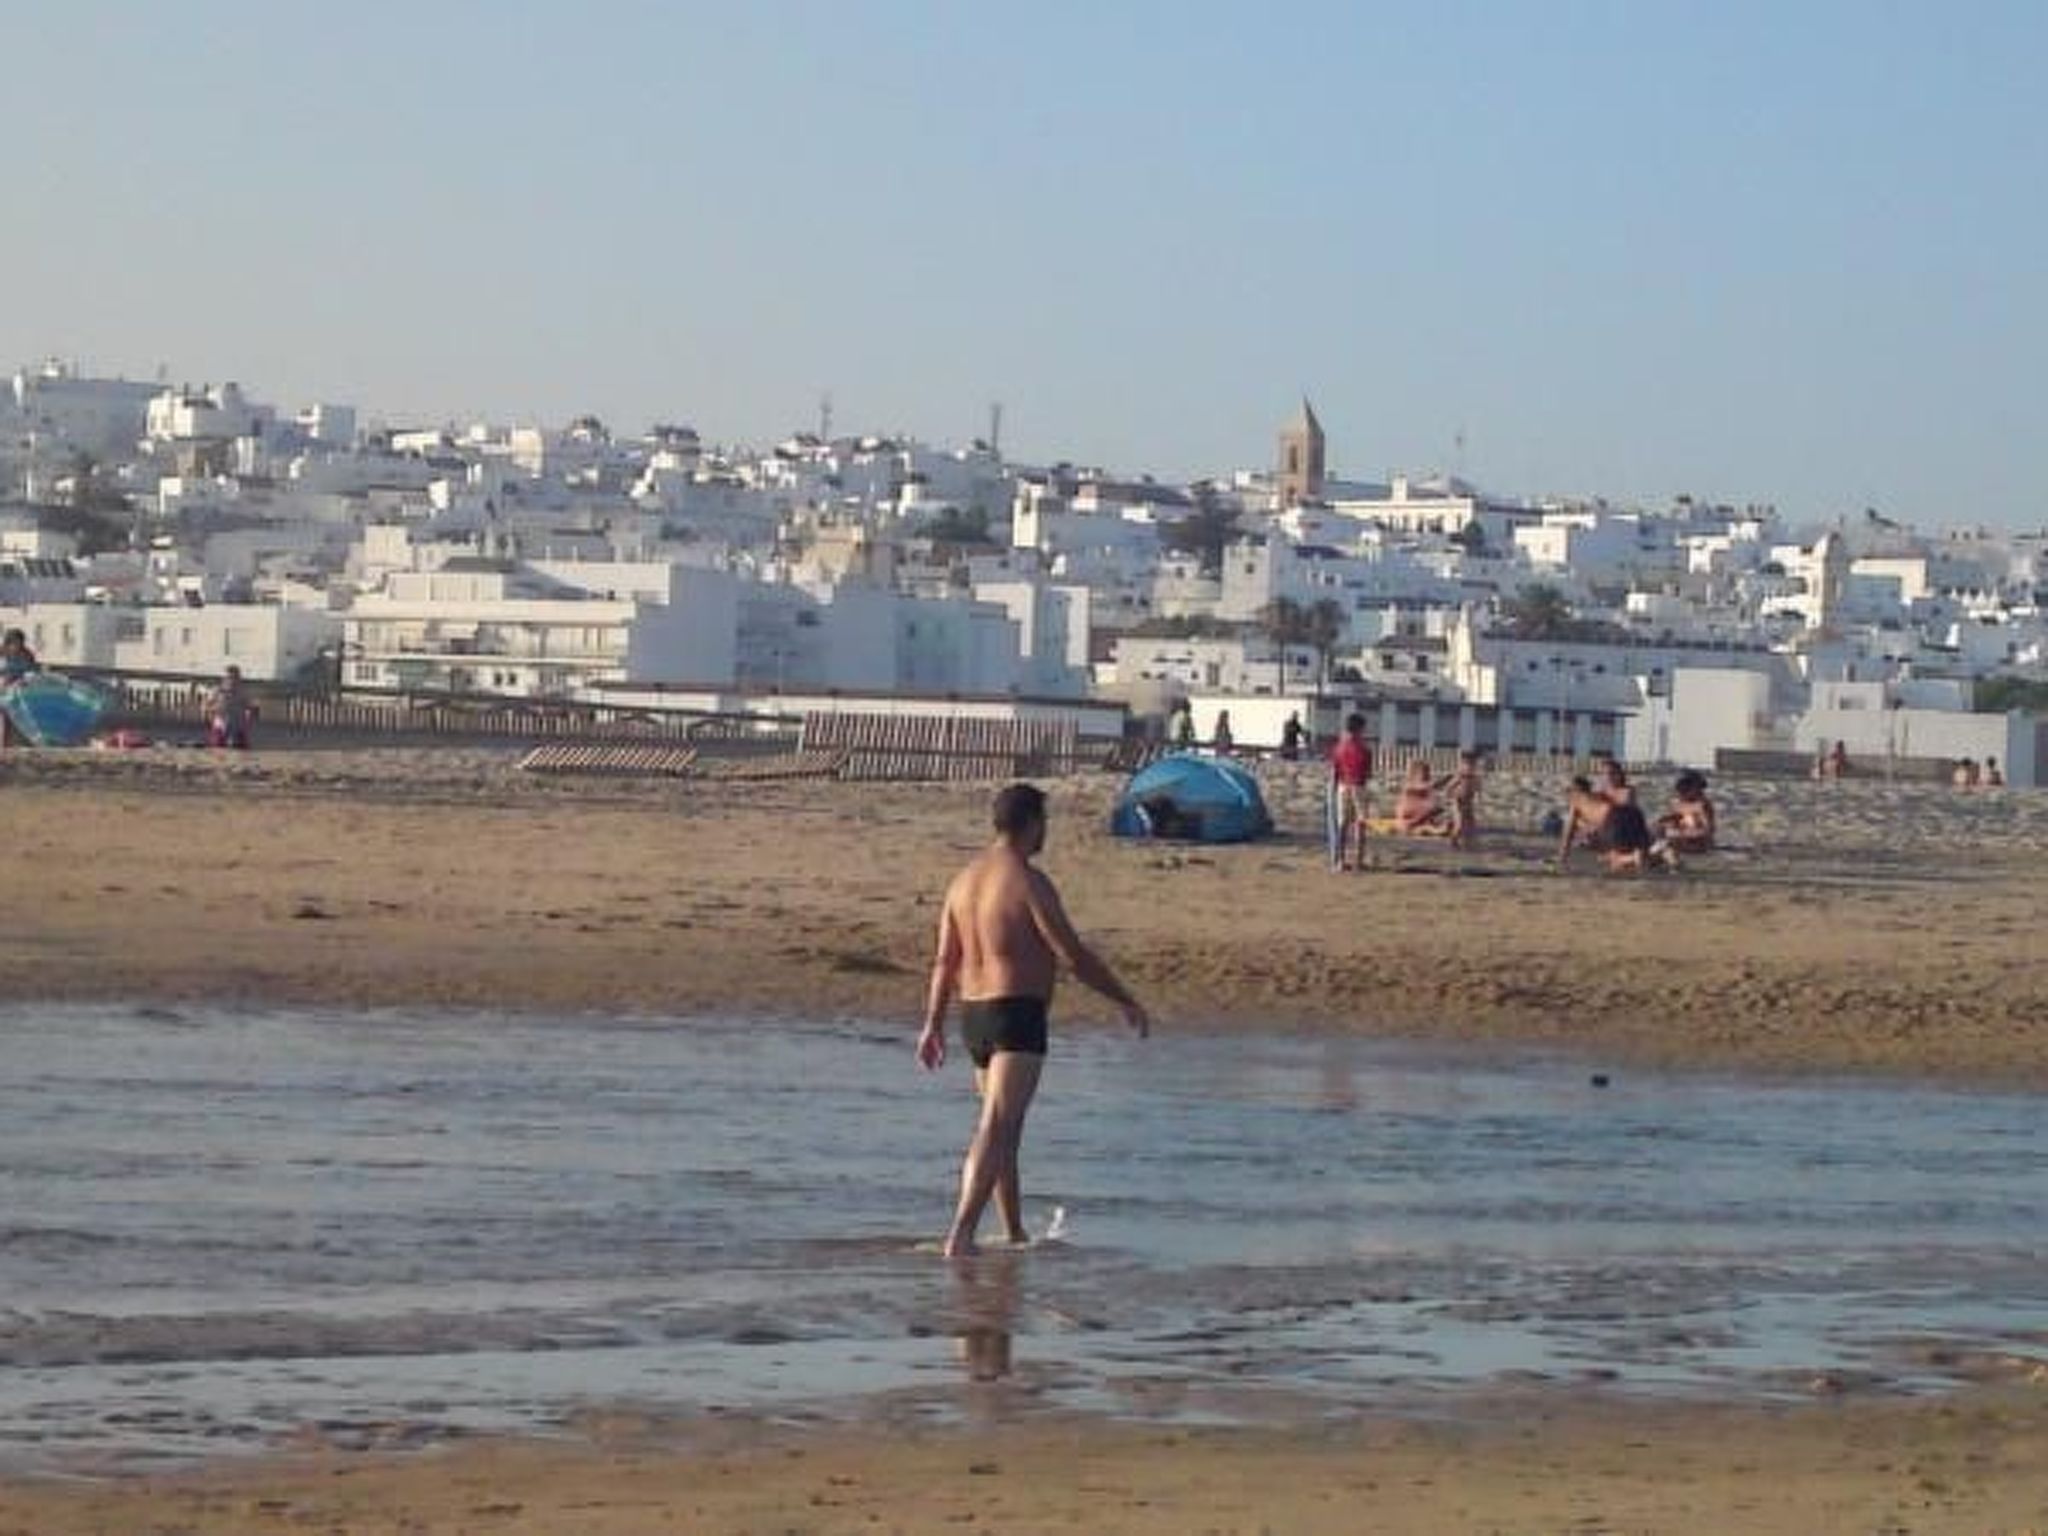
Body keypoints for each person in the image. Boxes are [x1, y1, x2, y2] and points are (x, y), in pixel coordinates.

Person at [918, 784, 1150, 1258]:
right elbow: (1072, 954)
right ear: (1031, 824)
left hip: (975, 1015)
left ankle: (1014, 1232)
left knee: (1006, 1128)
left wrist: (933, 1024)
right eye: (1044, 823)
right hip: (1016, 1013)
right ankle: (961, 1233)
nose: (1047, 832)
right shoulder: (1026, 882)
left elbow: (945, 961)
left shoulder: (963, 881)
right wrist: (1124, 998)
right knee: (998, 1123)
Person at [1558, 773, 1656, 872]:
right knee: (1631, 858)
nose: (1567, 794)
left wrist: (1563, 855)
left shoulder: (1576, 801)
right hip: (1632, 813)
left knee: (1616, 863)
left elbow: (1568, 830)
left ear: (1575, 790)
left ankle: (1632, 858)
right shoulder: (1597, 795)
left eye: (1568, 790)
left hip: (1612, 818)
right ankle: (1643, 856)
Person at [1329, 712, 1374, 872]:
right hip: (1359, 786)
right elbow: (1368, 773)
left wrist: (1333, 790)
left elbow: (1334, 771)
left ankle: (1340, 861)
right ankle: (1358, 861)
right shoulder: (1364, 749)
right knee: (1359, 824)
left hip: (1342, 785)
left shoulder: (1338, 748)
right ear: (1360, 729)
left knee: (1342, 824)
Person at [1655, 769, 1717, 855]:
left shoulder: (1703, 805)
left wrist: (1678, 834)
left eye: (1684, 789)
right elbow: (1672, 819)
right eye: (1680, 789)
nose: (1681, 793)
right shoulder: (1680, 803)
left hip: (1698, 845)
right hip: (1681, 840)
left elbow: (1708, 831)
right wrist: (1663, 823)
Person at [206, 665, 258, 750]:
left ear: (238, 678)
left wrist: (248, 721)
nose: (232, 680)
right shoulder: (217, 691)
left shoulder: (243, 691)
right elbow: (207, 705)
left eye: (235, 677)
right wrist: (214, 711)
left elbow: (250, 707)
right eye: (229, 677)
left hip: (238, 725)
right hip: (221, 724)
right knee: (217, 748)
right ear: (224, 678)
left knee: (242, 750)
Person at [1393, 759, 1447, 835]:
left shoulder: (1426, 788)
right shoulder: (1409, 785)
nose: (1427, 775)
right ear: (1414, 773)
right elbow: (1420, 787)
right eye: (1424, 772)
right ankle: (1431, 830)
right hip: (1409, 820)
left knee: (1439, 816)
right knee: (1421, 828)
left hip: (1421, 819)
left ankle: (1433, 828)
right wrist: (1438, 783)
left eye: (1427, 772)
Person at [1441, 750, 1483, 849]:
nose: (1471, 766)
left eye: (1473, 763)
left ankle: (1468, 841)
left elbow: (1477, 787)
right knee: (1459, 823)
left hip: (1468, 801)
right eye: (1469, 763)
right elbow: (1450, 785)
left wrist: (1478, 795)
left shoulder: (1474, 774)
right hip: (1458, 800)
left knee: (1471, 823)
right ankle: (1453, 841)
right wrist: (1448, 796)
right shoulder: (1462, 773)